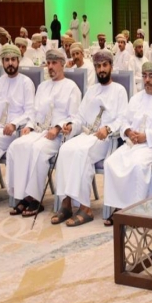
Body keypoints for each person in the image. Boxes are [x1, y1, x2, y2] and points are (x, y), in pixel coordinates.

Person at [51, 50, 128, 226]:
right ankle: (66, 203)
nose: (101, 69)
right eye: (98, 66)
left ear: (111, 66)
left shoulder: (119, 91)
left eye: (104, 65)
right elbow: (80, 117)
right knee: (65, 150)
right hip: (87, 134)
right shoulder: (91, 90)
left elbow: (123, 119)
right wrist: (71, 126)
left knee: (81, 153)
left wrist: (108, 128)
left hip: (105, 140)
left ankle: (85, 208)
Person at [7, 49, 81, 217]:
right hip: (39, 131)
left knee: (37, 150)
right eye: (48, 63)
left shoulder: (71, 87)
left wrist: (58, 127)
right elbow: (33, 112)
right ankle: (23, 195)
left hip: (58, 136)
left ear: (62, 64)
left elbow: (74, 117)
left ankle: (35, 198)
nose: (50, 67)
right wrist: (29, 126)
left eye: (54, 63)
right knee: (17, 145)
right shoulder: (42, 86)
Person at [102, 62, 152, 224]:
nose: (147, 80)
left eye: (151, 76)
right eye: (144, 76)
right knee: (111, 163)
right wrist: (128, 132)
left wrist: (146, 136)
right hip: (131, 144)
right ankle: (118, 208)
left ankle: (135, 211)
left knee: (137, 166)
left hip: (151, 146)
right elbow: (124, 120)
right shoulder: (135, 98)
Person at [0, 45, 36, 210]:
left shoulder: (26, 83)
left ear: (18, 61)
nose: (10, 63)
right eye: (7, 60)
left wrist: (14, 124)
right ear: (2, 62)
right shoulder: (1, 81)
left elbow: (30, 112)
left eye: (13, 60)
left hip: (18, 130)